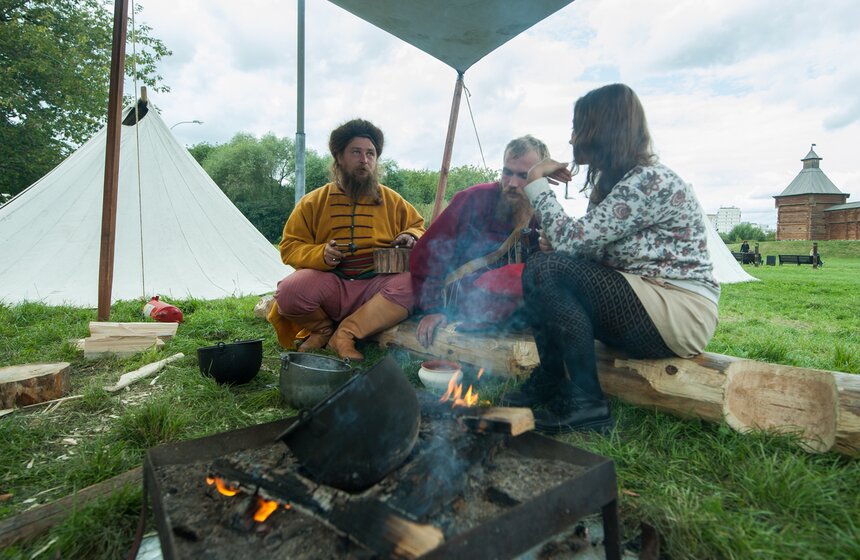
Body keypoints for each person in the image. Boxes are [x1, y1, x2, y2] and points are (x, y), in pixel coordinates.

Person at [508, 83, 720, 434]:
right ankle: (552, 380)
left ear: (600, 129)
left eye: (577, 127)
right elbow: (582, 247)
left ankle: (586, 404)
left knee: (548, 268)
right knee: (542, 267)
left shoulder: (648, 181)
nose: (572, 137)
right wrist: (558, 246)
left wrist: (536, 180)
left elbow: (571, 240)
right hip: (646, 299)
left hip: (680, 308)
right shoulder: (616, 183)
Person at [268, 119, 425, 361]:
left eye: (370, 154)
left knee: (412, 284)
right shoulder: (313, 201)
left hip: (376, 289)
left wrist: (410, 236)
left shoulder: (392, 200)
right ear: (339, 157)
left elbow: (419, 227)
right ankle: (322, 330)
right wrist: (321, 254)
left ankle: (345, 334)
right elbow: (289, 246)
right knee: (289, 291)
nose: (365, 160)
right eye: (356, 152)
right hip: (332, 284)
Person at [410, 136, 549, 348]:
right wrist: (433, 308)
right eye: (507, 172)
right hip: (464, 296)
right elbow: (427, 252)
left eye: (523, 176)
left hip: (512, 301)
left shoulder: (541, 208)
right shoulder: (473, 199)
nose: (512, 183)